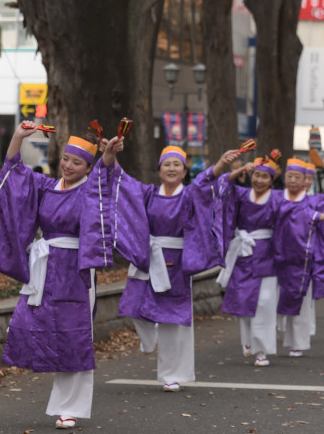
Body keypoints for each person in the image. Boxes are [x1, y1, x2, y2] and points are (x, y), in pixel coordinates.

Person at [0, 123, 112, 430]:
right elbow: (15, 170)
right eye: (67, 159)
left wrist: (108, 156)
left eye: (78, 162)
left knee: (75, 335)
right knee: (29, 325)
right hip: (45, 266)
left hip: (77, 269)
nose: (69, 166)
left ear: (88, 167)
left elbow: (106, 179)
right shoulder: (45, 186)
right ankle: (58, 396)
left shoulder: (90, 190)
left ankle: (70, 408)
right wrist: (17, 136)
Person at [92, 144, 226, 391]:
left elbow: (206, 186)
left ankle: (172, 374)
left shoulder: (189, 195)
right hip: (149, 256)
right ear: (159, 170)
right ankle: (148, 338)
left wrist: (220, 165)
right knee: (133, 306)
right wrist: (111, 155)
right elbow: (122, 183)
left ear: (185, 172)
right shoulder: (148, 193)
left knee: (173, 320)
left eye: (177, 164)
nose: (172, 168)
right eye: (167, 164)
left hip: (176, 262)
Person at [215, 154, 324, 366]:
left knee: (265, 303)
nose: (259, 180)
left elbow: (297, 212)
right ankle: (248, 340)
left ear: (271, 180)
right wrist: (238, 171)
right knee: (239, 301)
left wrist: (320, 216)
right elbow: (220, 186)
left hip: (267, 255)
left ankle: (262, 351)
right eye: (256, 175)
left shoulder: (277, 199)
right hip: (242, 254)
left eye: (264, 177)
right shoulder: (240, 194)